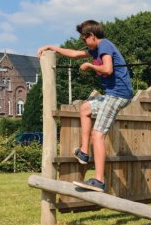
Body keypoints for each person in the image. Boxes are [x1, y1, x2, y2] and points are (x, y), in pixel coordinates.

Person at [38, 20, 133, 192]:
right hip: (112, 94)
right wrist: (52, 47)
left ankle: (98, 181)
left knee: (98, 135)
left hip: (118, 94)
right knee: (85, 108)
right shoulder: (96, 49)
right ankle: (84, 152)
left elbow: (108, 69)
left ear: (92, 36)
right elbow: (74, 54)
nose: (83, 43)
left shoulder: (104, 45)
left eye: (84, 39)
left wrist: (90, 65)